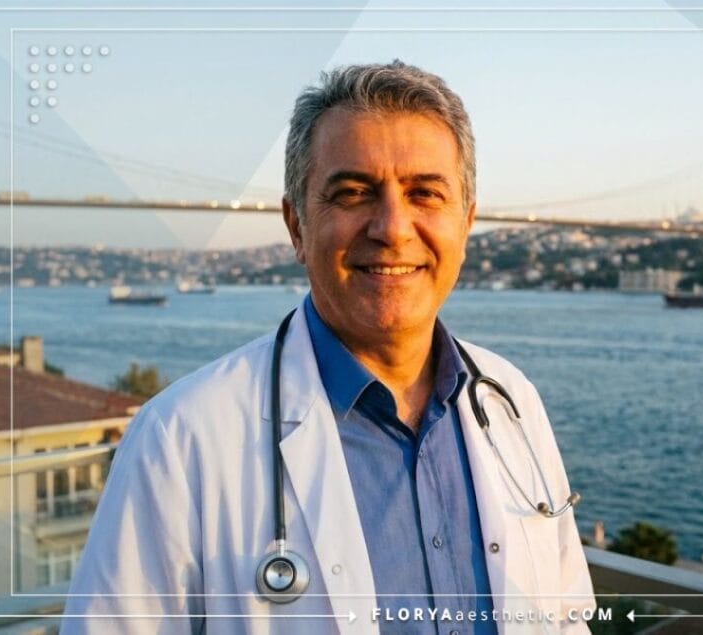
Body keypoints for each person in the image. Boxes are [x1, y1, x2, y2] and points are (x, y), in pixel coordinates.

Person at [62, 61, 595, 634]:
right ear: (296, 225)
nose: (392, 227)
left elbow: (567, 618)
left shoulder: (511, 401)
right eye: (354, 192)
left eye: (425, 193)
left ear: (465, 224)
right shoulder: (180, 438)